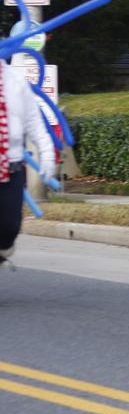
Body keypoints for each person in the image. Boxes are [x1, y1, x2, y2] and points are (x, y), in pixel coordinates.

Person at [0, 60, 56, 266]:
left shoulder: (15, 80)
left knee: (9, 227)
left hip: (11, 167)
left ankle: (3, 248)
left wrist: (47, 155)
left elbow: (34, 122)